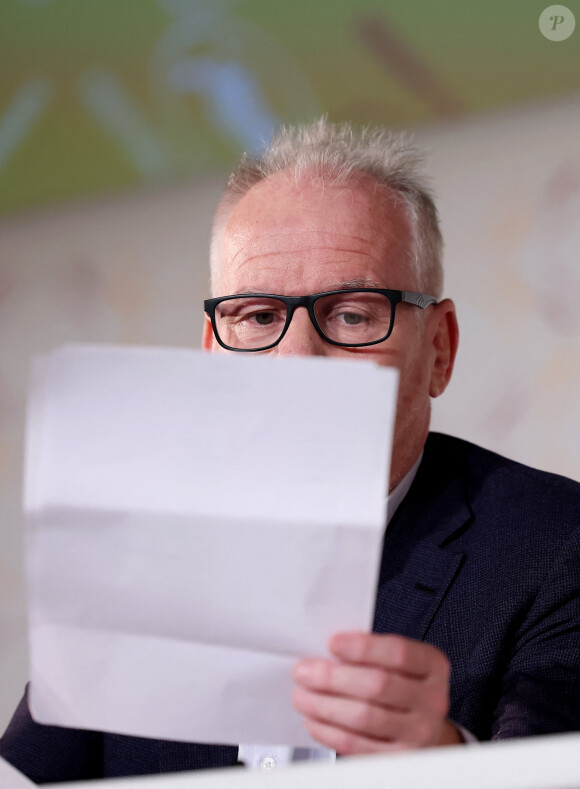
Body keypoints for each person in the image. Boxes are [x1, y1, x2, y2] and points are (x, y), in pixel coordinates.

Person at [1, 119, 579, 782]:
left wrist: (444, 764)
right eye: (258, 317)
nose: (298, 357)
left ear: (439, 350)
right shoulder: (136, 549)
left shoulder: (558, 546)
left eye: (353, 314)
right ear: (214, 352)